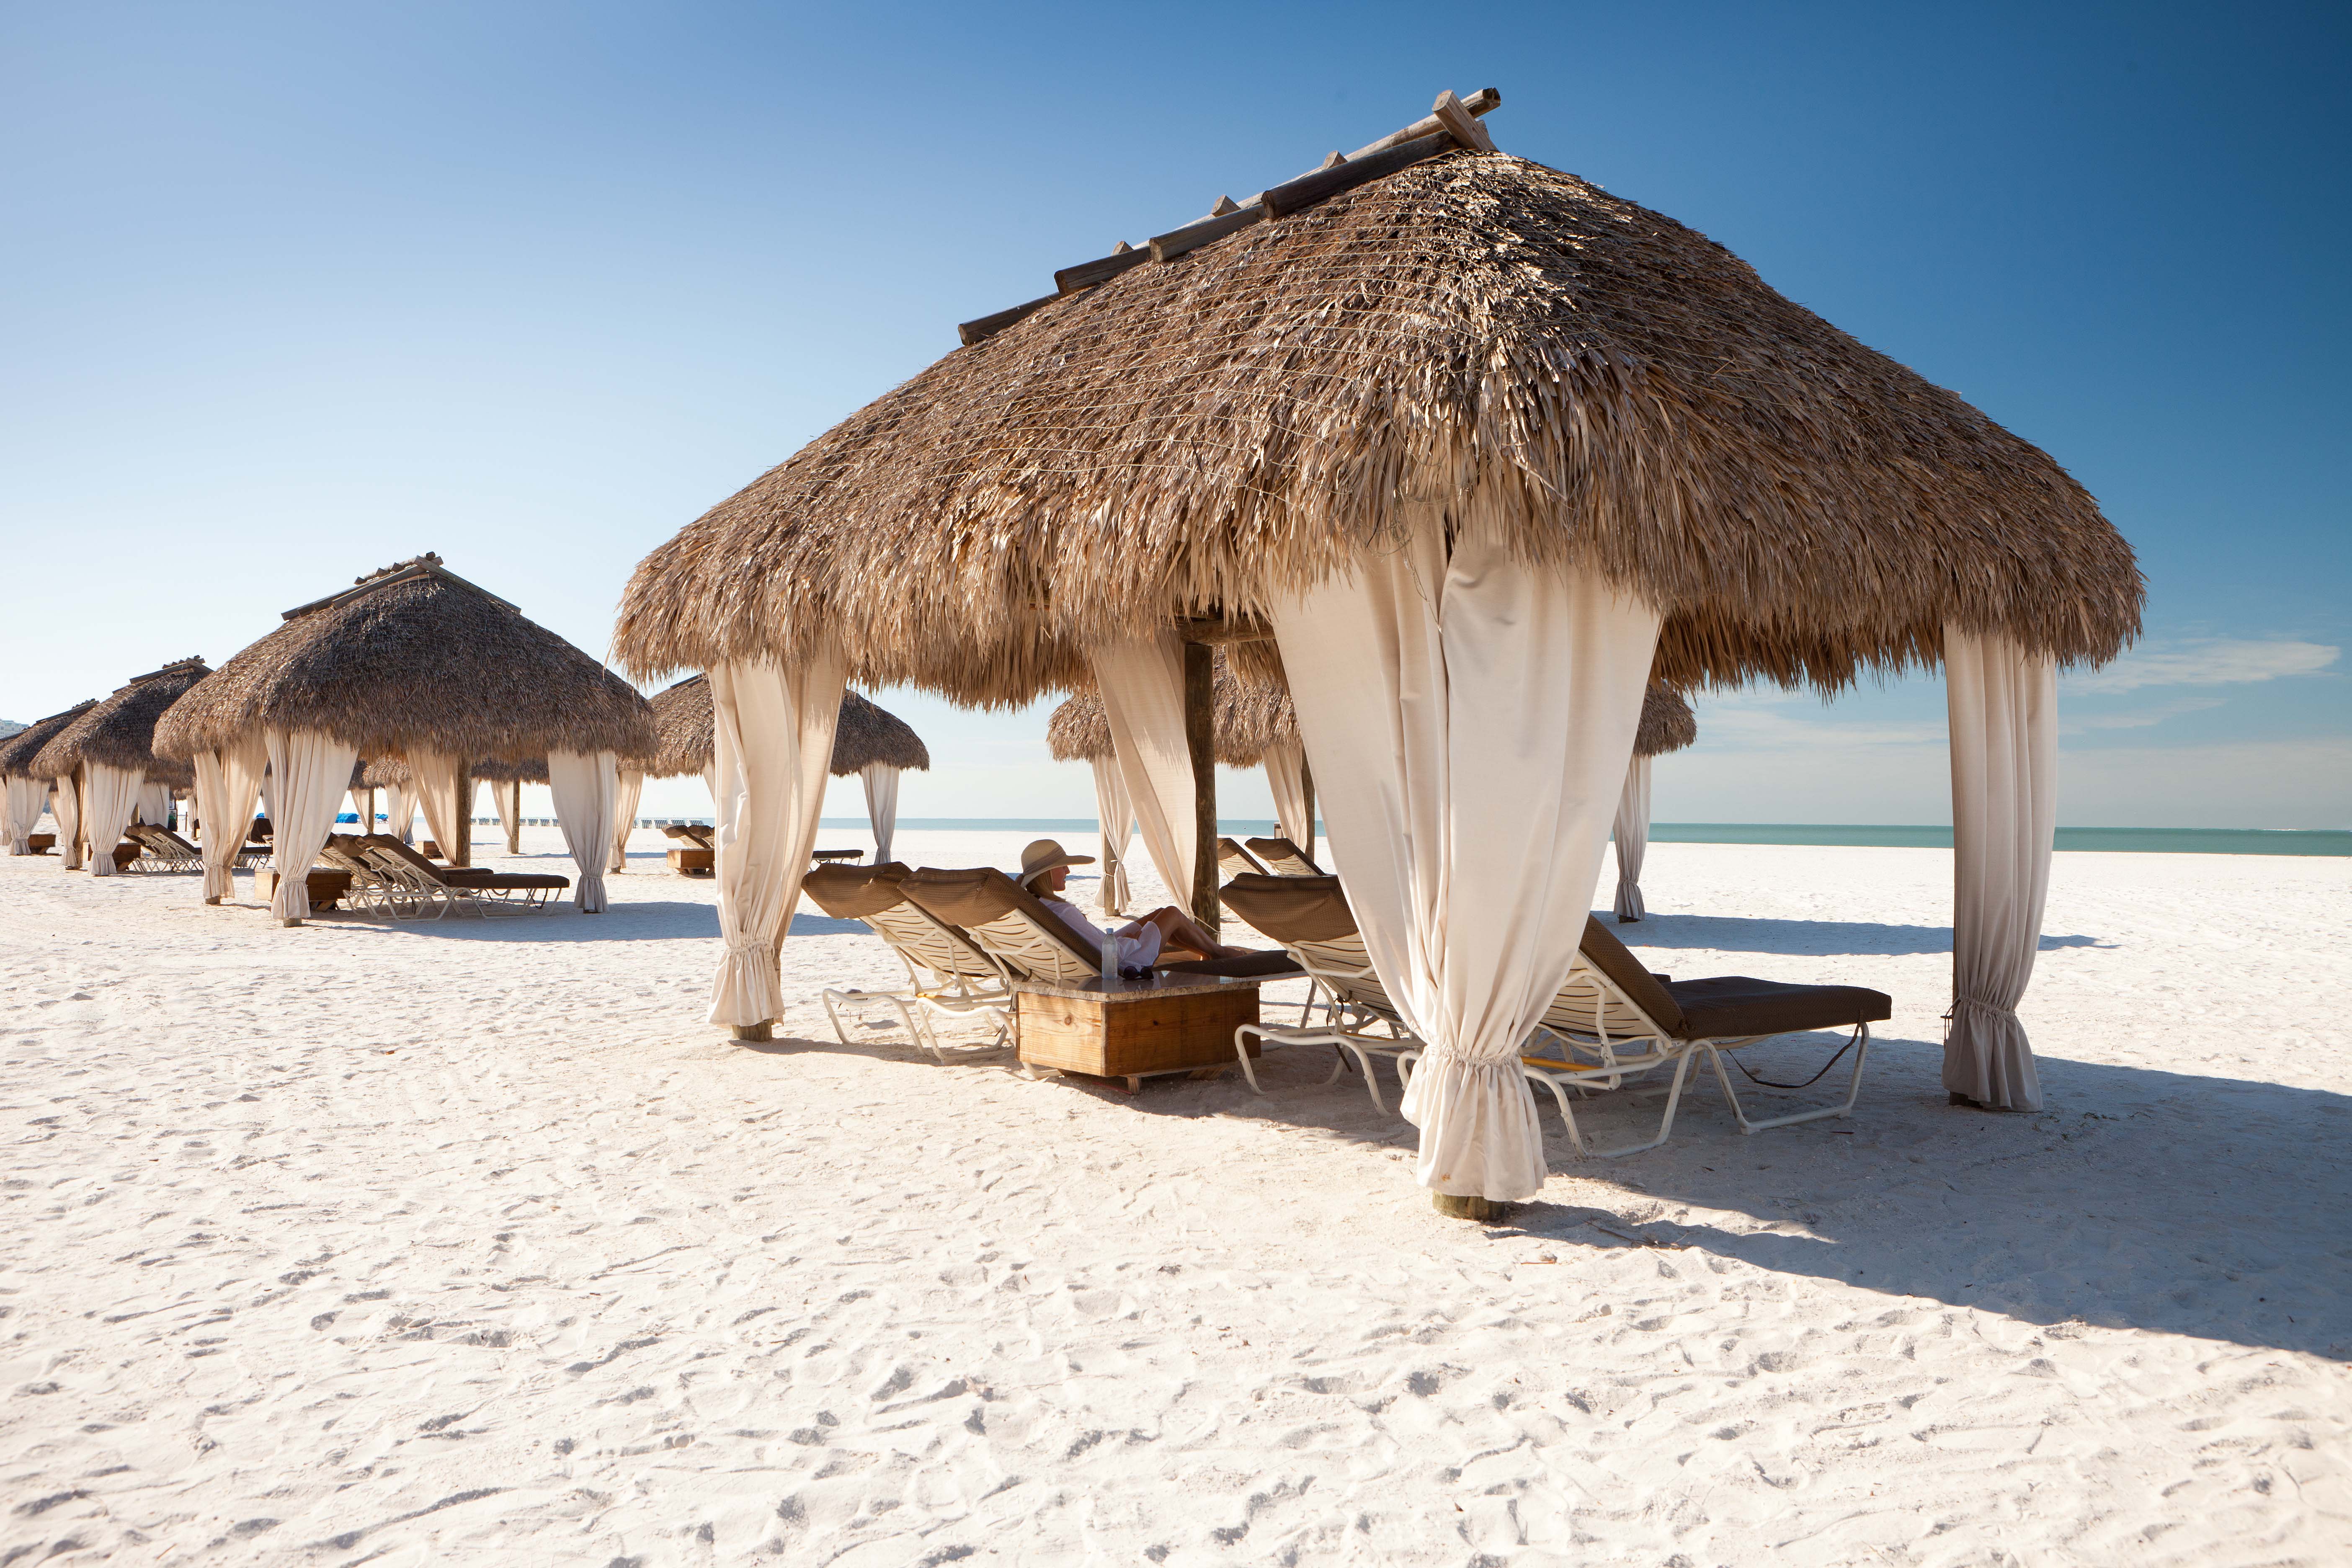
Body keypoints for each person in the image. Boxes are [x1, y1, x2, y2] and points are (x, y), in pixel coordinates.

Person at [1016, 838, 1251, 972]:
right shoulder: (1064, 912)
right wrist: (1132, 939)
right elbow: (1108, 954)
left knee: (1159, 914)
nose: (1068, 871)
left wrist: (1129, 936)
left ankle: (1208, 953)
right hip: (1124, 963)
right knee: (1171, 914)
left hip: (1104, 953)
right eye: (1062, 866)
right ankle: (1218, 953)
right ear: (1047, 873)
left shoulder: (1040, 907)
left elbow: (1091, 943)